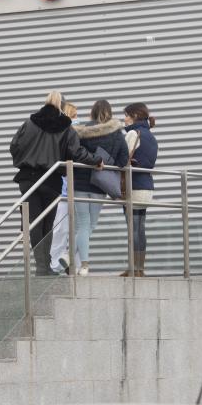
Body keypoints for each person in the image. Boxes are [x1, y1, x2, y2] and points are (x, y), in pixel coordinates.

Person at [9, 91, 103, 276]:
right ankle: (45, 267)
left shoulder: (28, 123)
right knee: (47, 224)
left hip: (28, 179)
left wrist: (25, 160)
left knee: (34, 222)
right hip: (50, 179)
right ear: (62, 106)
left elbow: (14, 146)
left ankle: (41, 267)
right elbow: (77, 152)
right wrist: (96, 160)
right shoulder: (65, 127)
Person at [72, 100, 129, 276]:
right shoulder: (116, 133)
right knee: (90, 224)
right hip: (100, 184)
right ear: (109, 113)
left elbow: (73, 153)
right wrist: (108, 162)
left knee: (82, 223)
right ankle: (80, 263)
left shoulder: (81, 131)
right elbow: (123, 159)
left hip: (79, 182)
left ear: (92, 112)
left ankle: (80, 264)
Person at [123, 102, 158, 277]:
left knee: (133, 228)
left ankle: (133, 268)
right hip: (147, 187)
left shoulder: (132, 133)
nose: (125, 118)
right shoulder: (151, 137)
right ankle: (139, 269)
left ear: (135, 116)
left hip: (133, 186)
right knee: (140, 228)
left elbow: (122, 158)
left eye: (127, 115)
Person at [49, 102, 79, 274]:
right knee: (70, 230)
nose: (77, 119)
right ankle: (65, 265)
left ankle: (59, 264)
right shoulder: (69, 133)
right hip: (70, 190)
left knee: (61, 230)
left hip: (66, 191)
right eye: (75, 115)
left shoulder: (62, 134)